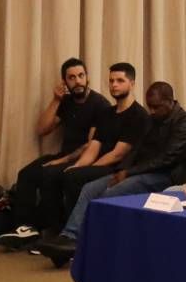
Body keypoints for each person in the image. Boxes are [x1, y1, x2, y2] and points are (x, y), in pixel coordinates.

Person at [40, 82, 186, 266]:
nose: (152, 111)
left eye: (156, 107)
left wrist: (128, 173)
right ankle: (69, 236)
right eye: (149, 106)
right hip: (145, 170)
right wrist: (120, 170)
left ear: (170, 102)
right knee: (90, 188)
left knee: (112, 193)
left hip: (172, 175)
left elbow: (165, 160)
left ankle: (94, 243)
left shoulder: (184, 125)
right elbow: (136, 149)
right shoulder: (153, 119)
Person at [9, 58, 111, 236]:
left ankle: (53, 230)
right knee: (26, 174)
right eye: (71, 77)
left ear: (88, 78)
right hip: (64, 154)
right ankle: (24, 228)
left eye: (81, 76)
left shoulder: (99, 104)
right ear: (65, 82)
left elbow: (91, 145)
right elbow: (42, 129)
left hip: (86, 159)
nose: (77, 81)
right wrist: (56, 100)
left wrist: (61, 161)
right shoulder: (66, 102)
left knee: (50, 174)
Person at [49, 62, 149, 230]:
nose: (114, 85)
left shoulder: (138, 115)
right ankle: (57, 230)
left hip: (118, 168)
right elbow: (93, 147)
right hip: (100, 164)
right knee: (63, 174)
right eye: (111, 81)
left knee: (74, 178)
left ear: (132, 84)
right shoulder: (107, 113)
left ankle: (77, 232)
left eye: (120, 80)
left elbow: (118, 154)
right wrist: (77, 166)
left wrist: (87, 170)